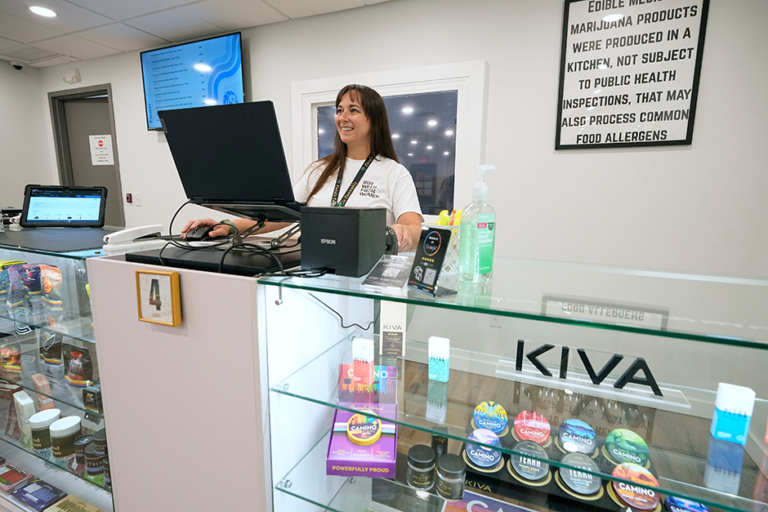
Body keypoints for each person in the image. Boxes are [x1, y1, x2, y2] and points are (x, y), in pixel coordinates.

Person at [182, 84, 423, 251]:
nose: (342, 117)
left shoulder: (394, 173)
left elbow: (414, 228)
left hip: (368, 278)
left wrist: (402, 232)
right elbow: (281, 216)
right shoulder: (319, 169)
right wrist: (229, 226)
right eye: (339, 110)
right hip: (314, 273)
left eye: (353, 110)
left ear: (375, 120)